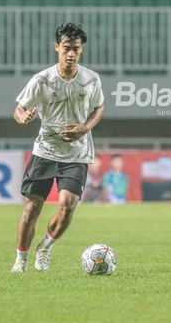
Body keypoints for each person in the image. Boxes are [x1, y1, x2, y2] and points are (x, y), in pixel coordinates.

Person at [11, 23, 105, 273]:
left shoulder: (91, 79)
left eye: (75, 48)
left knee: (67, 205)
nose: (71, 53)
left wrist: (85, 129)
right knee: (32, 208)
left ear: (82, 49)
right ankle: (20, 261)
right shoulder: (42, 80)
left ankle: (46, 247)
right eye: (66, 48)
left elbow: (99, 108)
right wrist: (23, 117)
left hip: (76, 153)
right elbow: (20, 108)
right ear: (57, 48)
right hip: (45, 150)